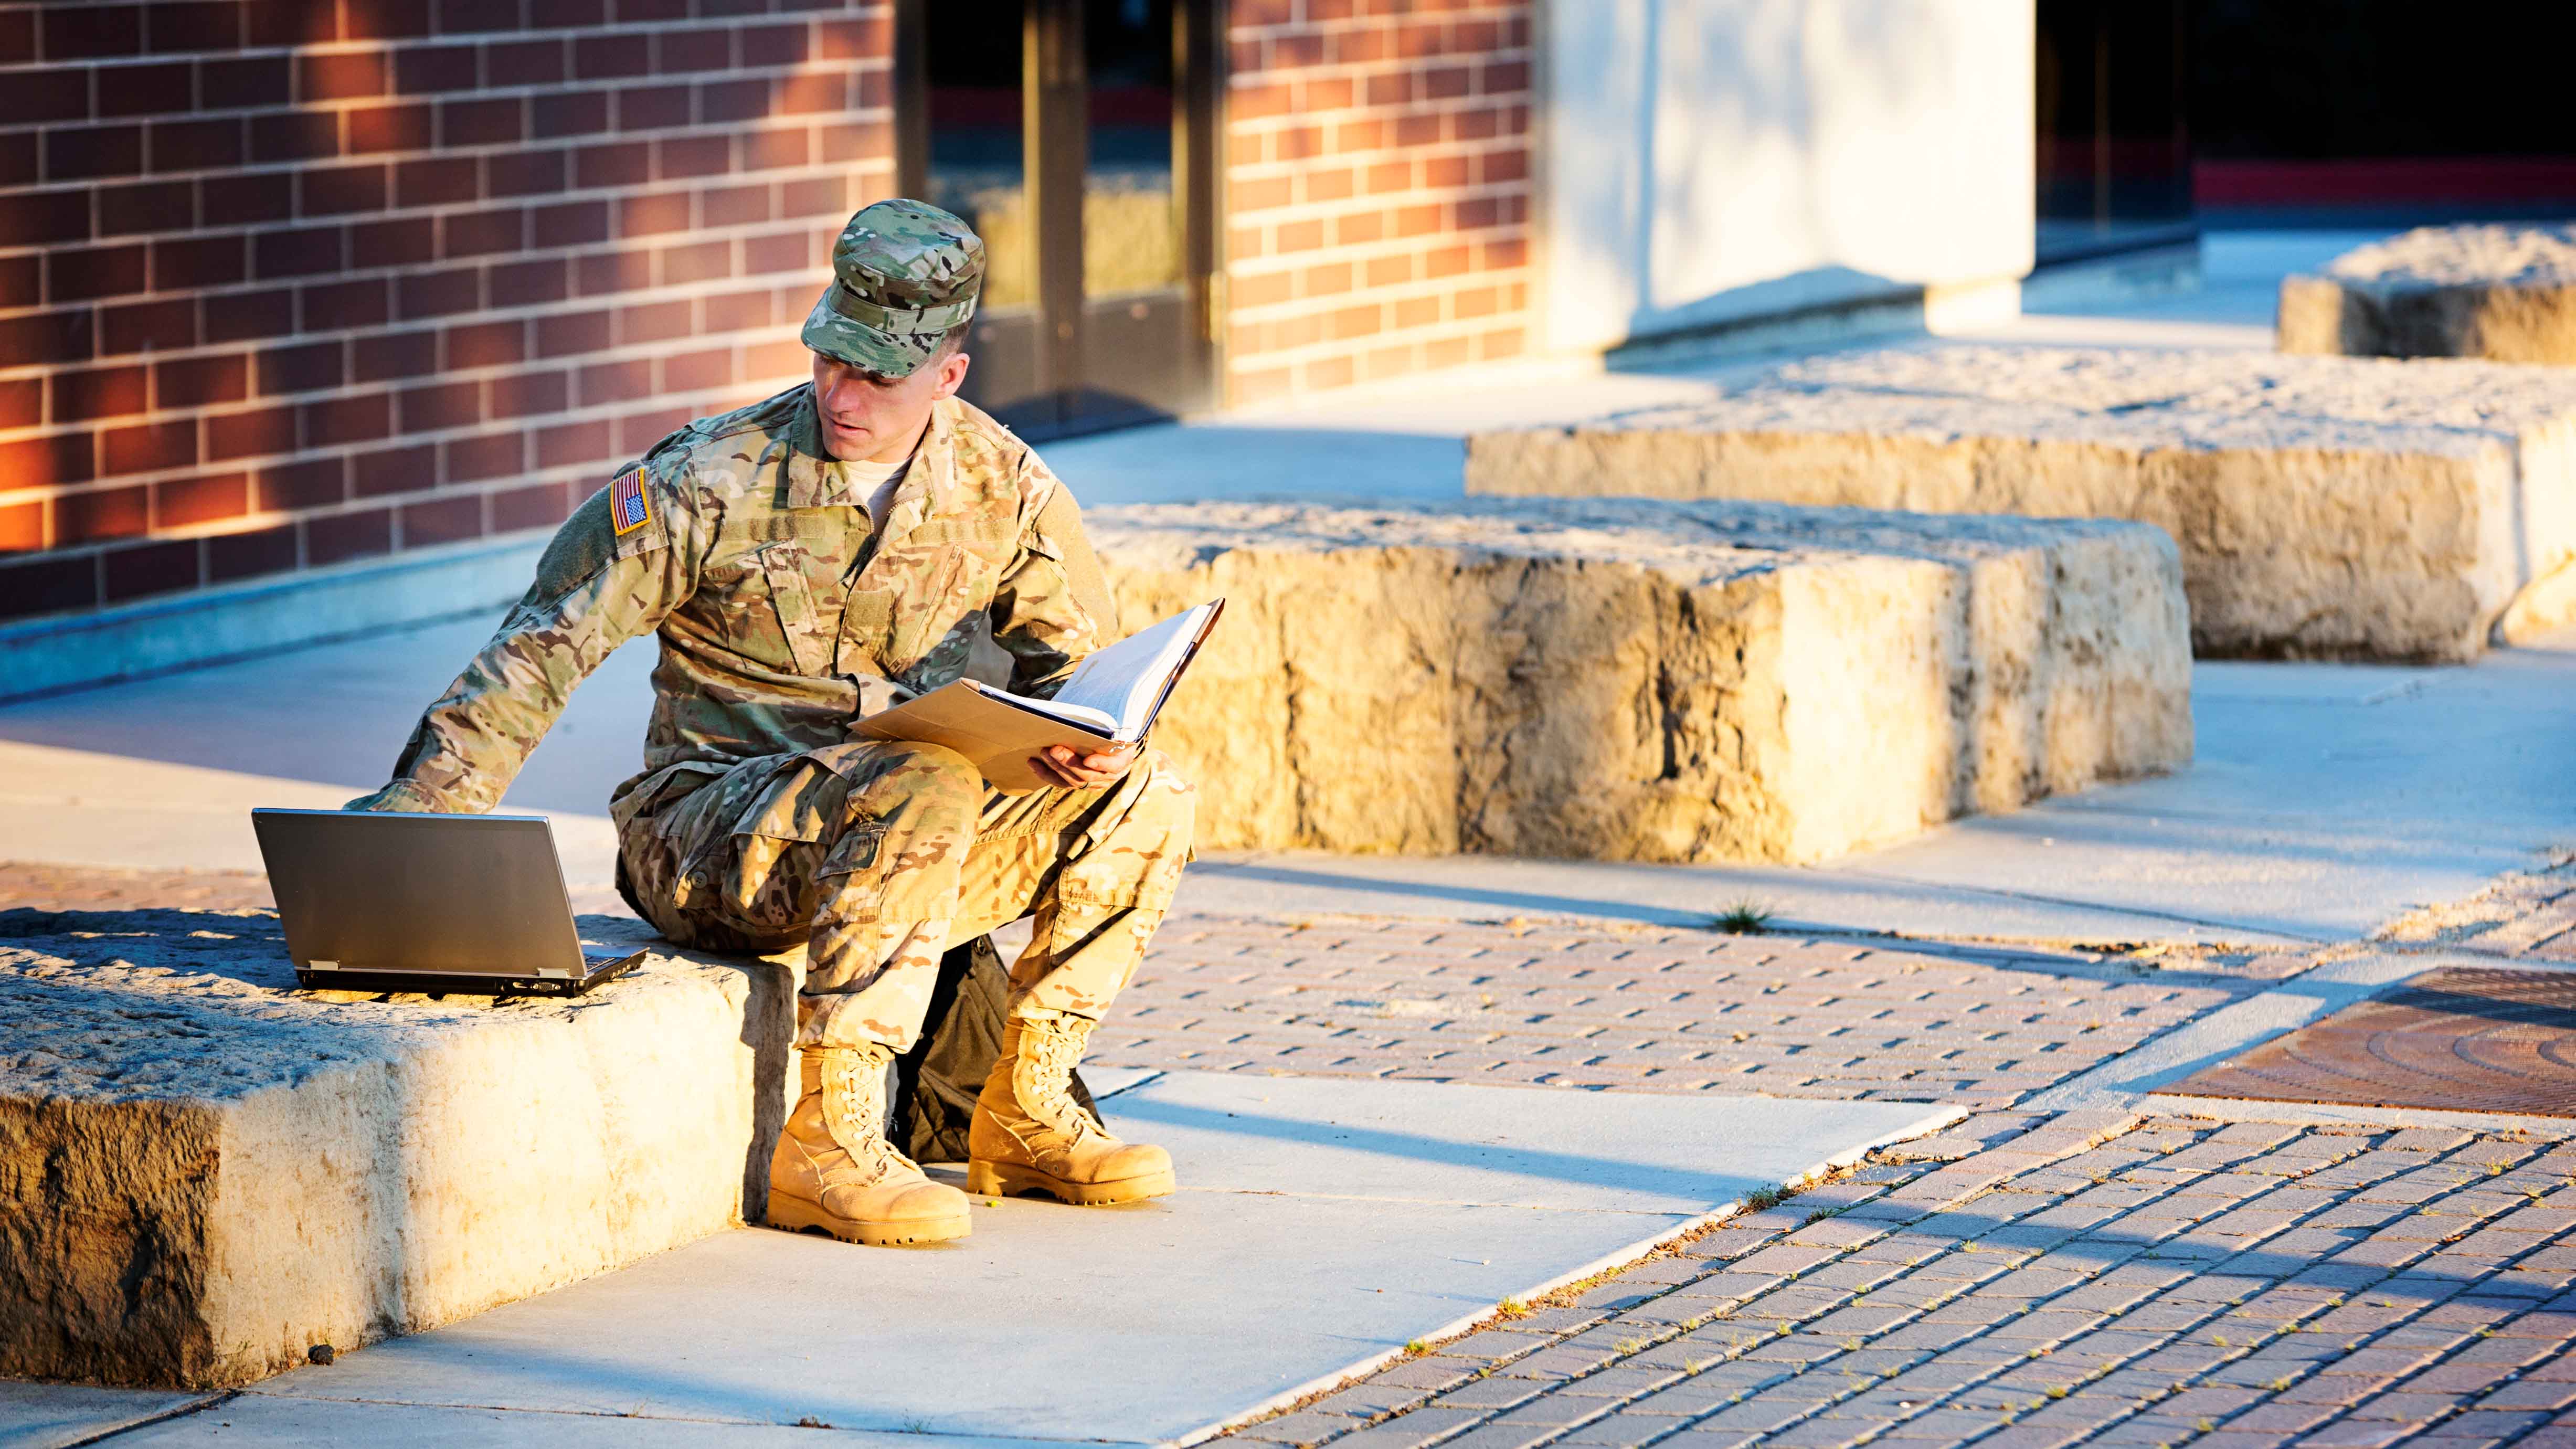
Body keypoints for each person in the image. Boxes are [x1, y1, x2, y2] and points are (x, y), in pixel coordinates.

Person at [346, 199, 1194, 1249]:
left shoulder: (1004, 483)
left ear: (948, 375)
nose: (843, 393)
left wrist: (1086, 734)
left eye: (878, 375)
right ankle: (830, 1139)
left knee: (1148, 789)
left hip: (897, 837)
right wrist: (402, 834)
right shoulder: (713, 476)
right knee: (919, 780)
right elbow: (541, 649)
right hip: (708, 836)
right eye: (832, 357)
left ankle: (1024, 1102)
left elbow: (1080, 669)